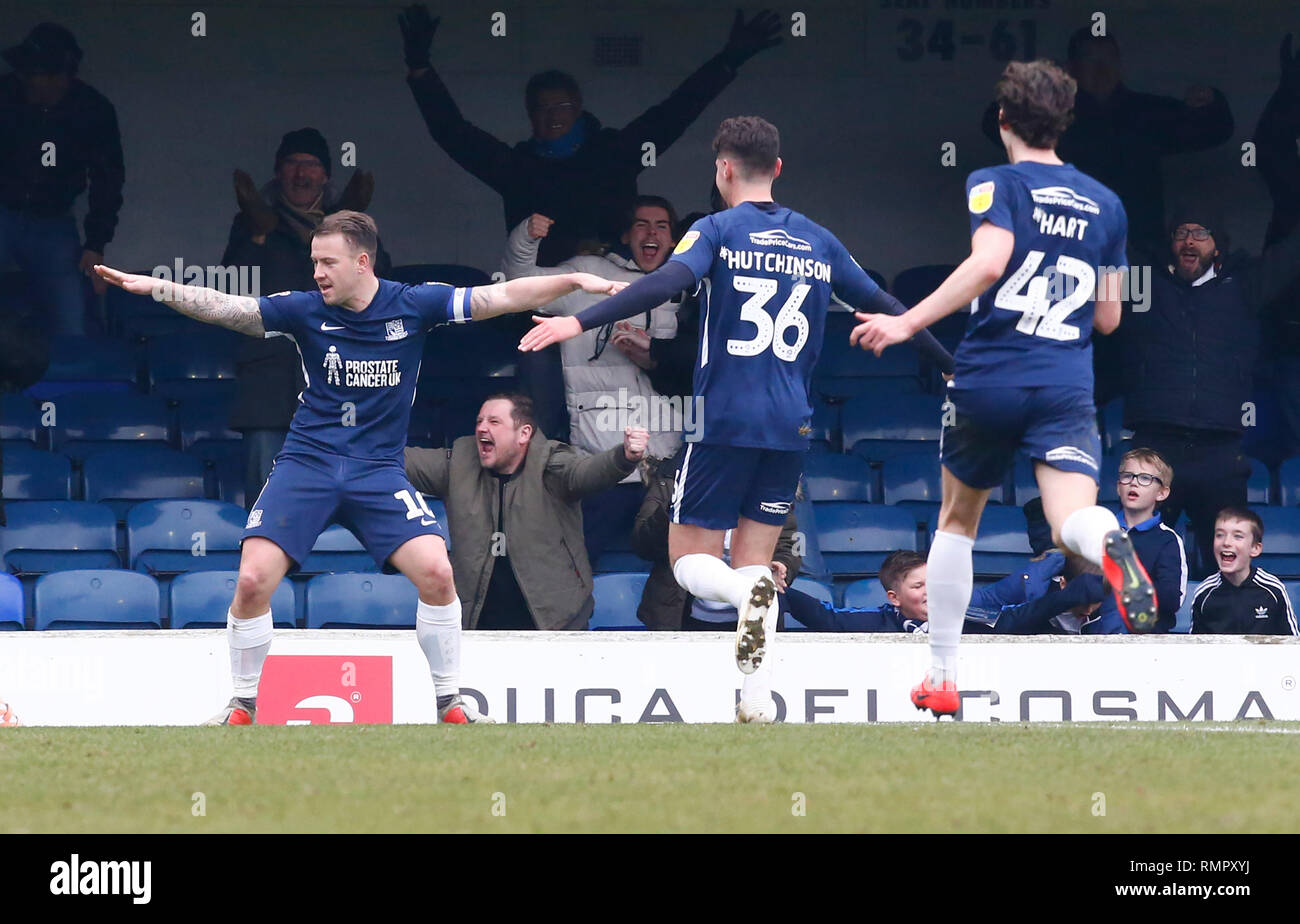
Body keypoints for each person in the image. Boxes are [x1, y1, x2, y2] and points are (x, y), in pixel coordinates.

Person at [94, 211, 625, 725]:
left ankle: (450, 704)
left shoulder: (414, 305)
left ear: (363, 262)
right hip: (308, 464)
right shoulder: (303, 309)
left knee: (439, 574)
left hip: (378, 470)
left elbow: (501, 296)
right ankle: (242, 705)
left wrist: (576, 279)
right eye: (314, 262)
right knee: (253, 580)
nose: (317, 273)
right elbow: (229, 307)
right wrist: (156, 288)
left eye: (327, 262)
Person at [520, 116, 955, 723]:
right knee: (756, 565)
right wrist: (951, 365)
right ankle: (754, 699)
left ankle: (744, 599)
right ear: (777, 169)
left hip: (724, 421)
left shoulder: (715, 230)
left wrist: (576, 321)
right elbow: (887, 305)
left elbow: (664, 285)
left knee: (690, 563)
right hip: (791, 429)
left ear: (722, 168)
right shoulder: (819, 240)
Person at [852, 60, 1149, 719]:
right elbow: (1109, 318)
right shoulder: (1108, 203)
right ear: (1064, 122)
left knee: (958, 523)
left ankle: (944, 677)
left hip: (988, 378)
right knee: (1071, 519)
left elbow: (988, 263)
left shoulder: (995, 181)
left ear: (1004, 121)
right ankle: (1113, 545)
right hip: (1066, 383)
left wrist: (906, 320)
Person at [398, 4, 781, 265]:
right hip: (544, 301)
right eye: (542, 109)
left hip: (618, 295)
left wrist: (728, 60)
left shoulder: (614, 153)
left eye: (561, 107)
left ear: (578, 107)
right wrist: (420, 70)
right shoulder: (516, 168)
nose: (552, 117)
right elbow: (454, 134)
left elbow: (676, 111)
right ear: (529, 115)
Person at [1120, 195, 1300, 576]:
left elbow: (1289, 256)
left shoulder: (1245, 285)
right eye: (1181, 233)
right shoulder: (1145, 282)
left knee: (1230, 562)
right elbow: (1106, 242)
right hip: (1156, 444)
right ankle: (1135, 635)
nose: (1189, 241)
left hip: (1220, 449)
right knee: (1138, 562)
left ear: (1218, 243)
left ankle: (1228, 630)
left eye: (1200, 233)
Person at [500, 196, 683, 562]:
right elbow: (517, 285)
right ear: (626, 235)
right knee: (568, 567)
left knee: (681, 572)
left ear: (674, 239)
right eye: (642, 225)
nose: (651, 233)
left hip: (665, 466)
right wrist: (526, 236)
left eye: (661, 226)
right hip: (605, 463)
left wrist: (655, 356)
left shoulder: (685, 286)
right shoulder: (588, 274)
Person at [222, 127, 383, 506]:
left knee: (338, 495)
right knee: (267, 497)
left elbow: (376, 290)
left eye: (310, 165)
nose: (300, 173)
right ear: (278, 172)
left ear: (325, 175)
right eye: (292, 164)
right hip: (269, 383)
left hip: (338, 380)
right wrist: (258, 237)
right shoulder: (249, 223)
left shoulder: (353, 229)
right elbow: (232, 289)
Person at [403, 394, 649, 630]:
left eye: (494, 421)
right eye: (479, 421)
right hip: (478, 625)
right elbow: (396, 460)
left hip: (554, 624)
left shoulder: (551, 462)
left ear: (524, 434)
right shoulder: (460, 462)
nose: (481, 428)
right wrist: (367, 442)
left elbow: (586, 471)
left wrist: (624, 456)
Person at [0, 22, 124, 336]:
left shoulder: (92, 110)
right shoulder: (5, 98)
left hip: (53, 222)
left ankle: (72, 379)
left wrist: (96, 243)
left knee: (71, 319)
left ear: (66, 77)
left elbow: (107, 180)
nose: (40, 89)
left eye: (50, 80)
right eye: (33, 80)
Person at [629, 446, 802, 630]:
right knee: (684, 563)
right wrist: (677, 509)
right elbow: (644, 544)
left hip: (743, 621)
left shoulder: (768, 488)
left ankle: (751, 599)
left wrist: (783, 564)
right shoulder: (672, 480)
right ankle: (747, 593)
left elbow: (789, 546)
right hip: (679, 615)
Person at [783, 549, 1105, 635]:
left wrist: (1067, 596)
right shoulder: (876, 621)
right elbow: (826, 618)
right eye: (918, 586)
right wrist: (779, 594)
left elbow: (1017, 617)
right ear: (894, 598)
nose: (930, 593)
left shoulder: (963, 616)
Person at [1190, 507, 1298, 635]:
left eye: (1238, 536)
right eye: (1220, 535)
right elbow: (1195, 647)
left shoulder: (1273, 590)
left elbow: (1293, 645)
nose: (1226, 542)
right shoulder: (1204, 593)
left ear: (1255, 549)